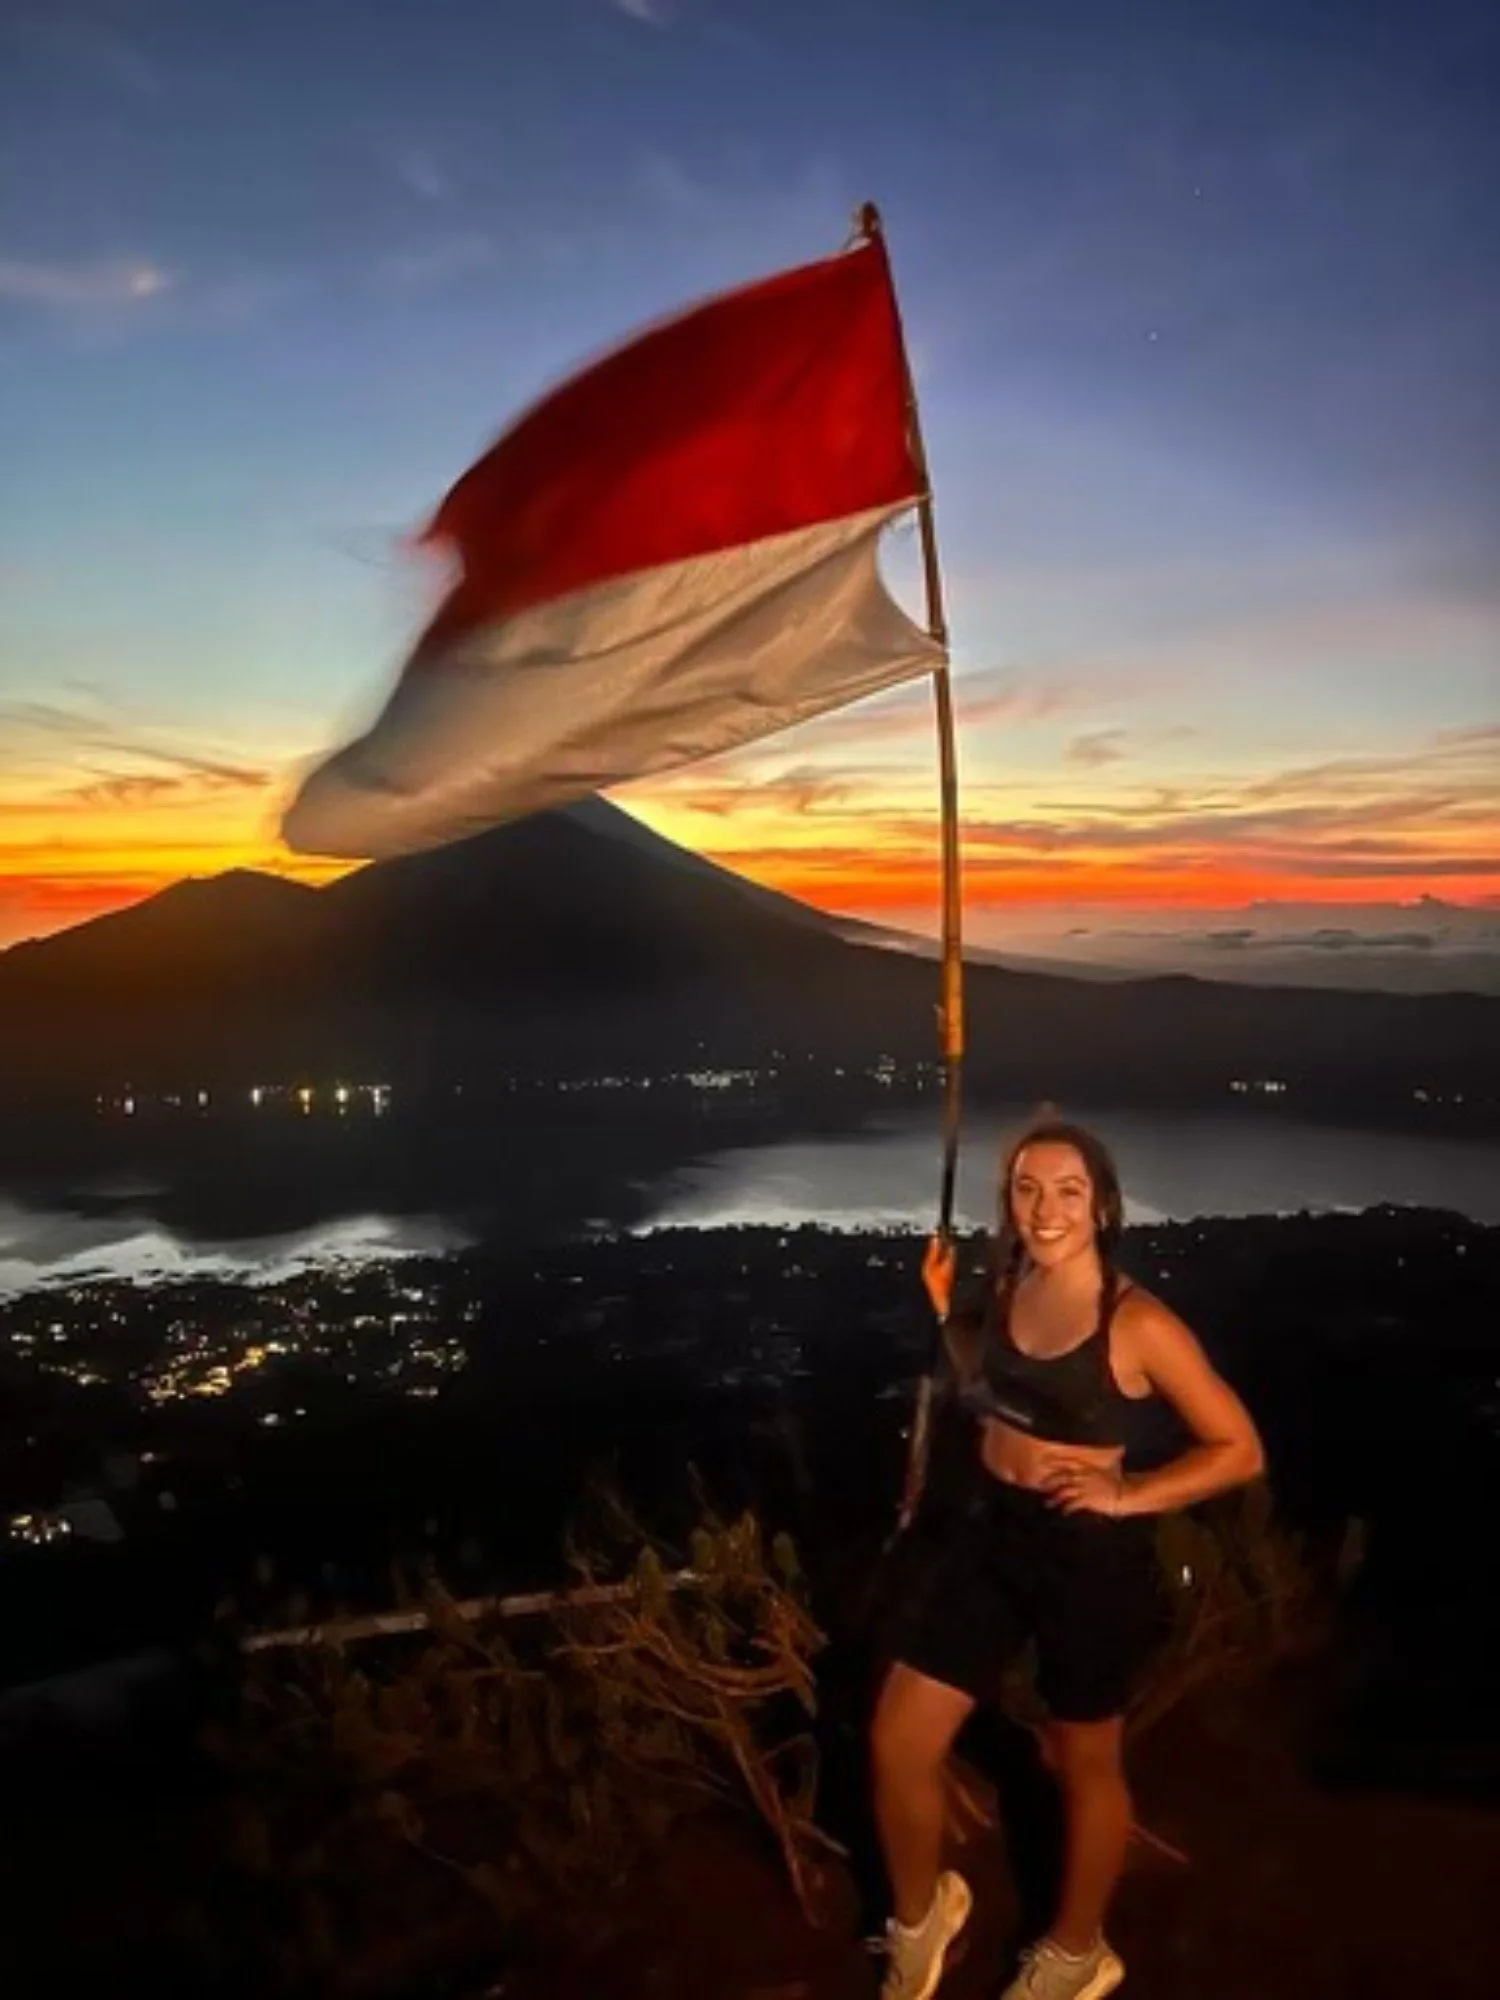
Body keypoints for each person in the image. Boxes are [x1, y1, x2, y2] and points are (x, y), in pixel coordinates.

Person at [869, 1119, 1264, 2000]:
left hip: (1081, 1553)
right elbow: (987, 1385)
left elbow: (1239, 1448)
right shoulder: (1009, 1287)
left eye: (1069, 1191)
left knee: (1084, 1761)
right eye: (1027, 1189)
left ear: (1104, 1207)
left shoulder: (1138, 1323)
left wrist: (1127, 1496)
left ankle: (1077, 1952)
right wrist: (944, 1308)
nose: (1046, 1209)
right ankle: (920, 1920)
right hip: (988, 1532)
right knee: (899, 1739)